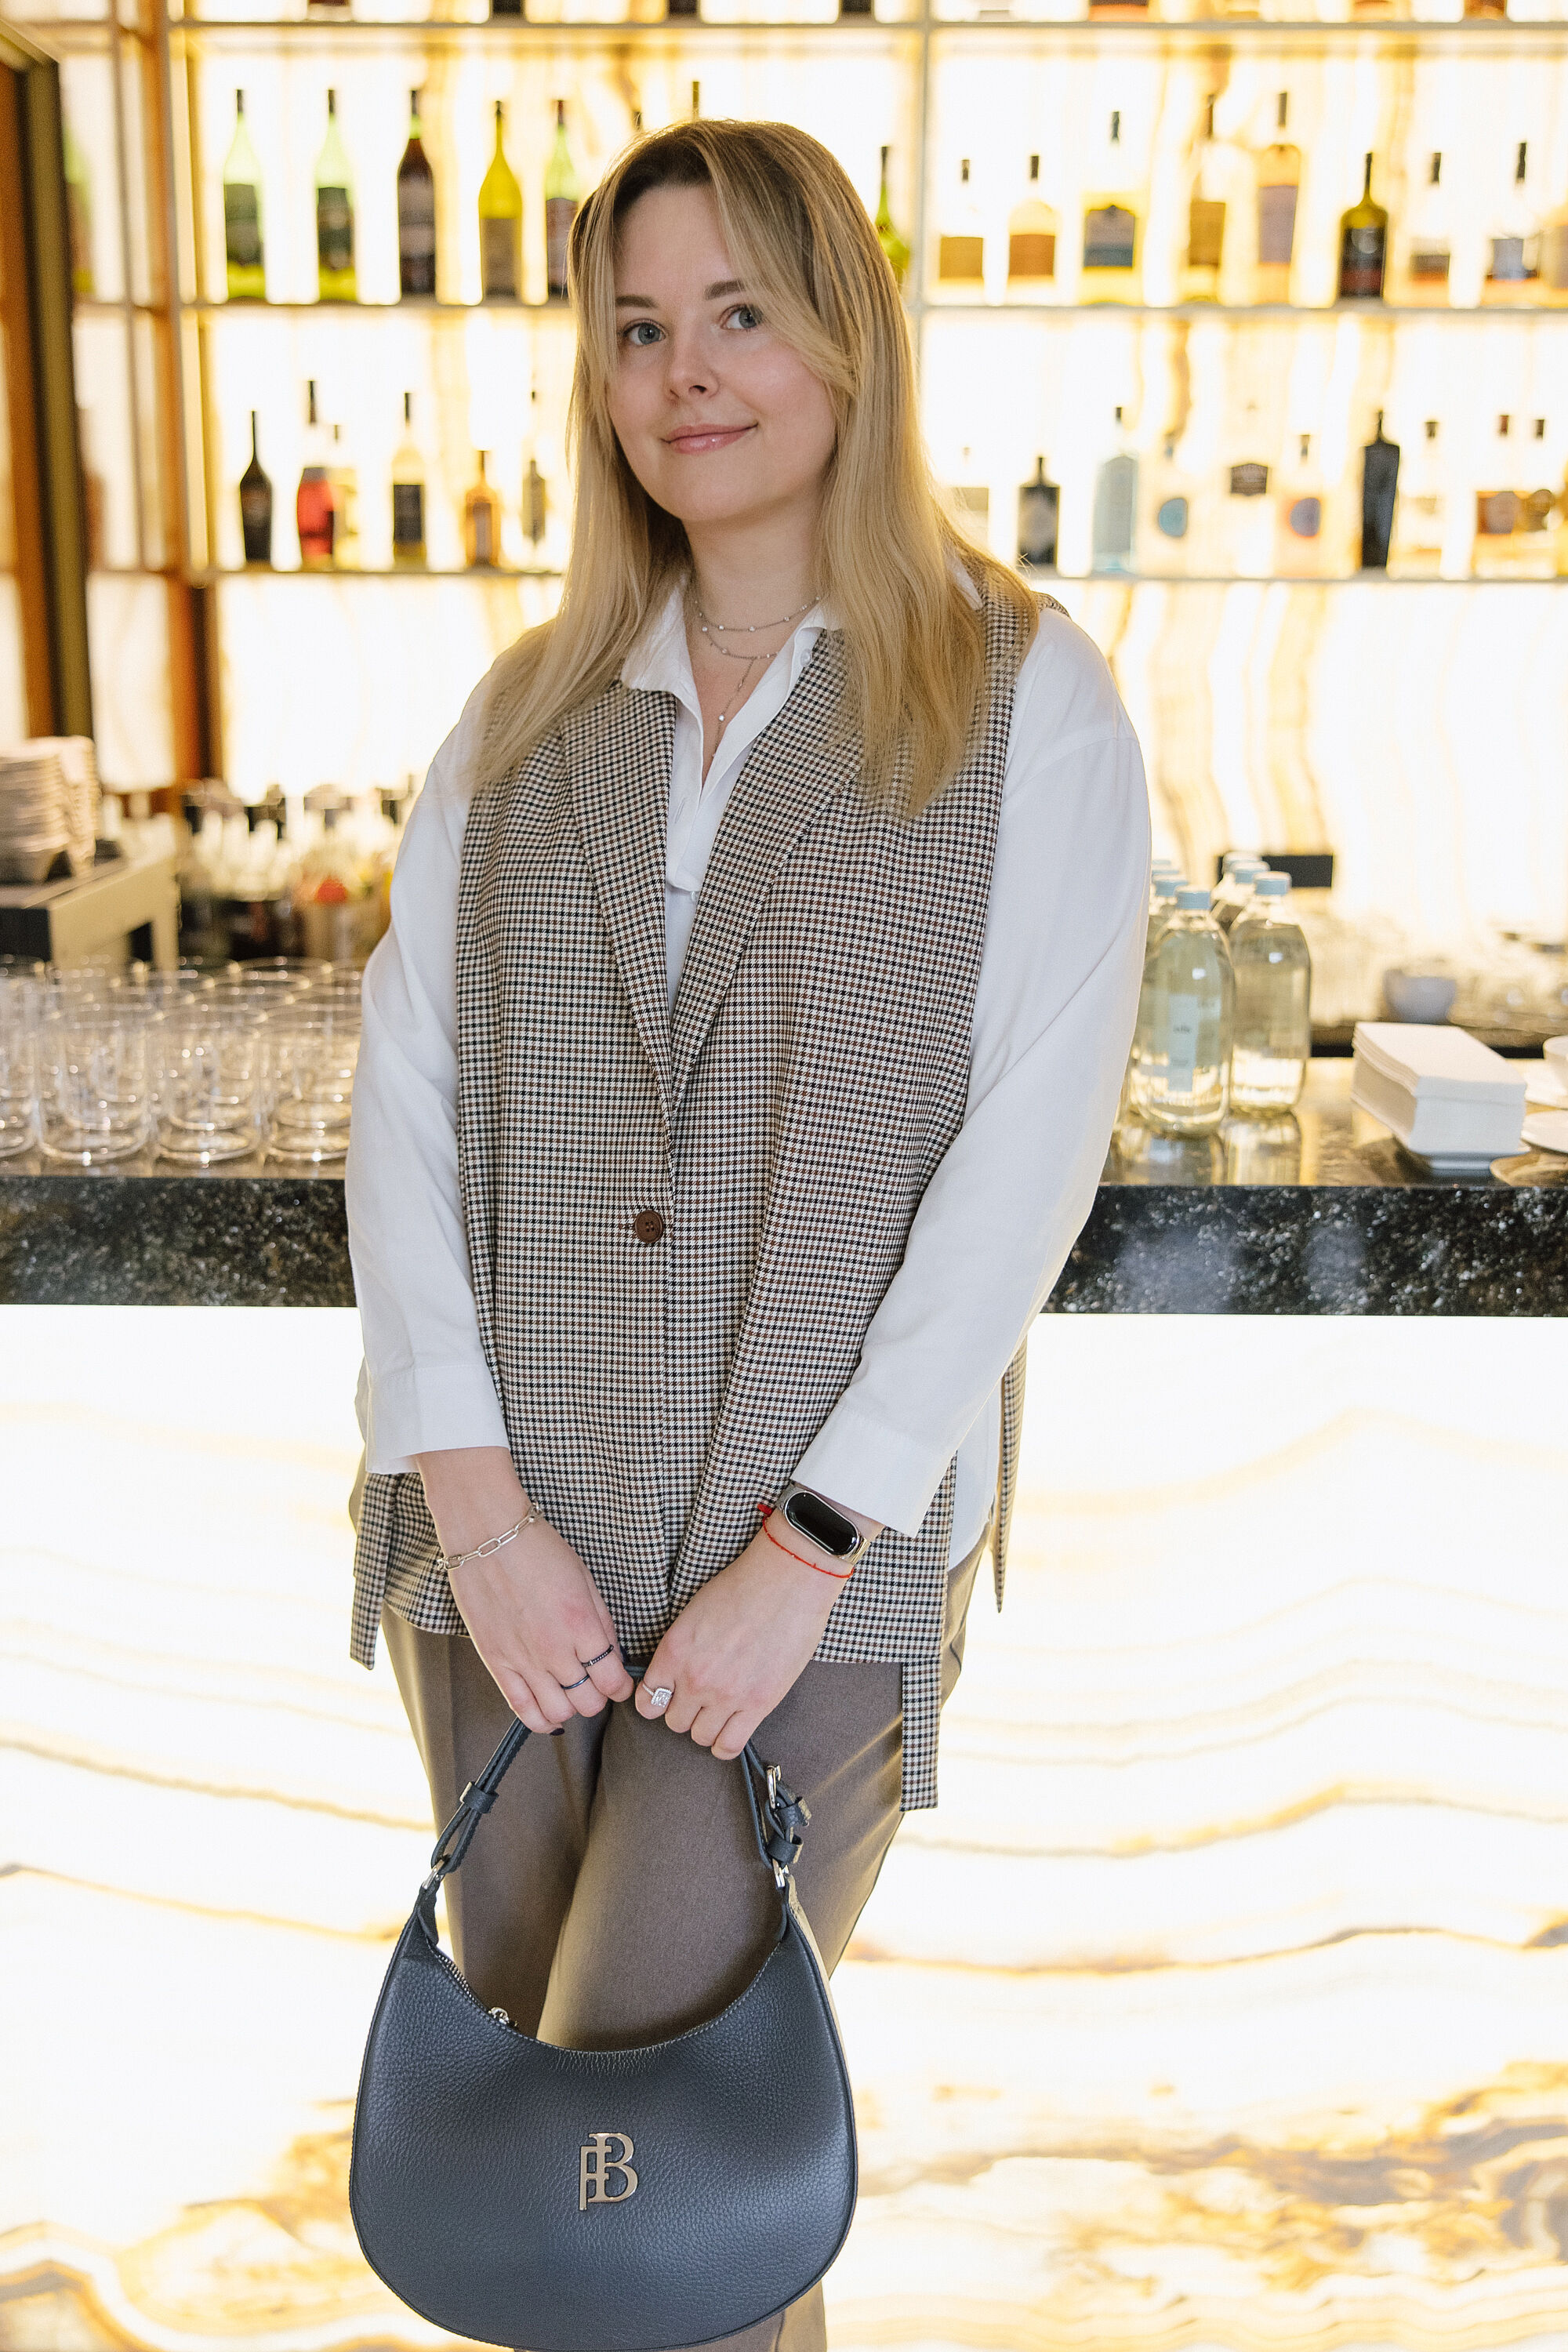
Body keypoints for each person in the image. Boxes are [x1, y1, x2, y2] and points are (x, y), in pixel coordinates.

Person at [345, 115, 1149, 2352]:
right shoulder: (519, 714)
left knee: (669, 2155)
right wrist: (476, 1517)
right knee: (566, 2195)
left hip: (810, 1553)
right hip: (508, 1539)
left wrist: (809, 1546)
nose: (685, 373)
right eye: (635, 328)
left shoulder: (1020, 695)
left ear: (847, 342)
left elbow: (1028, 1158)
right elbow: (402, 1110)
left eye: (739, 314)